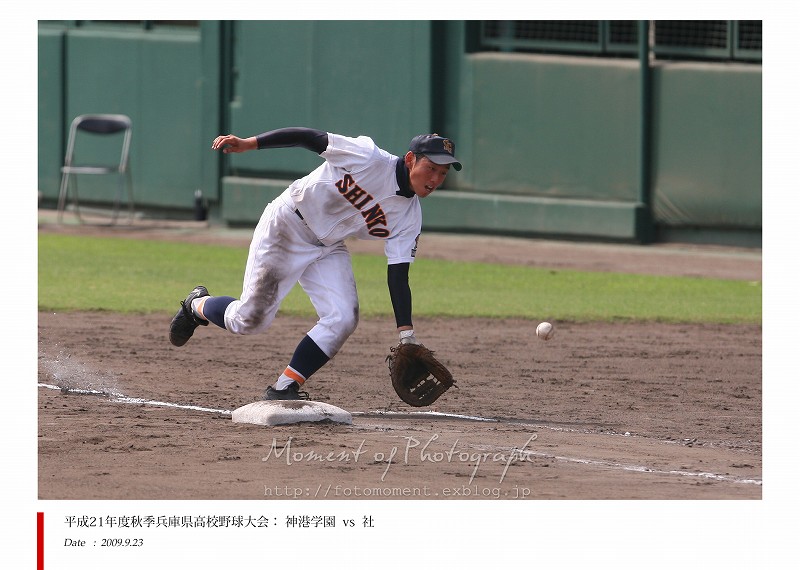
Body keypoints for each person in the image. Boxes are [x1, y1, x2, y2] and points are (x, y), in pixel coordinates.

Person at [169, 127, 462, 401]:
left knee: (344, 317)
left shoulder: (409, 218)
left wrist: (406, 334)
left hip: (328, 246)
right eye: (431, 168)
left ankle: (284, 387)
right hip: (287, 225)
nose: (435, 179)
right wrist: (250, 144)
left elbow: (398, 275)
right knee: (248, 320)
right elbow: (308, 137)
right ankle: (197, 305)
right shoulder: (368, 157)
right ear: (411, 159)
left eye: (443, 173)